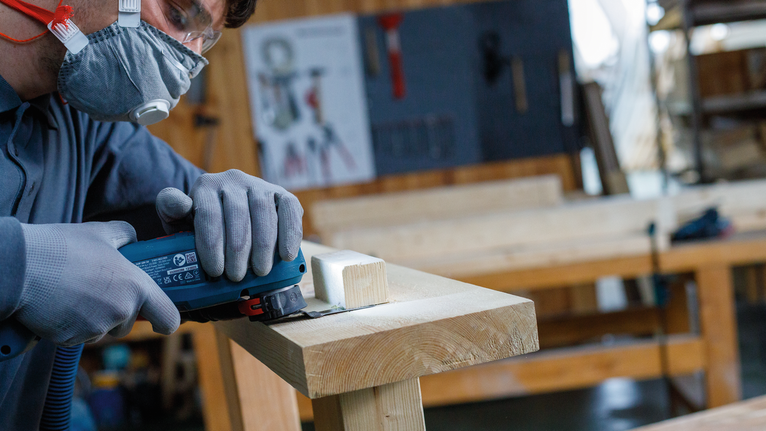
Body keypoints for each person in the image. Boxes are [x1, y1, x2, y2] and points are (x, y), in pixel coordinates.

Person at [0, 0, 304, 428]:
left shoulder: (82, 124)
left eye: (201, 38)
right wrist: (20, 266)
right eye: (179, 14)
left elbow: (197, 208)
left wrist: (240, 215)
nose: (184, 54)